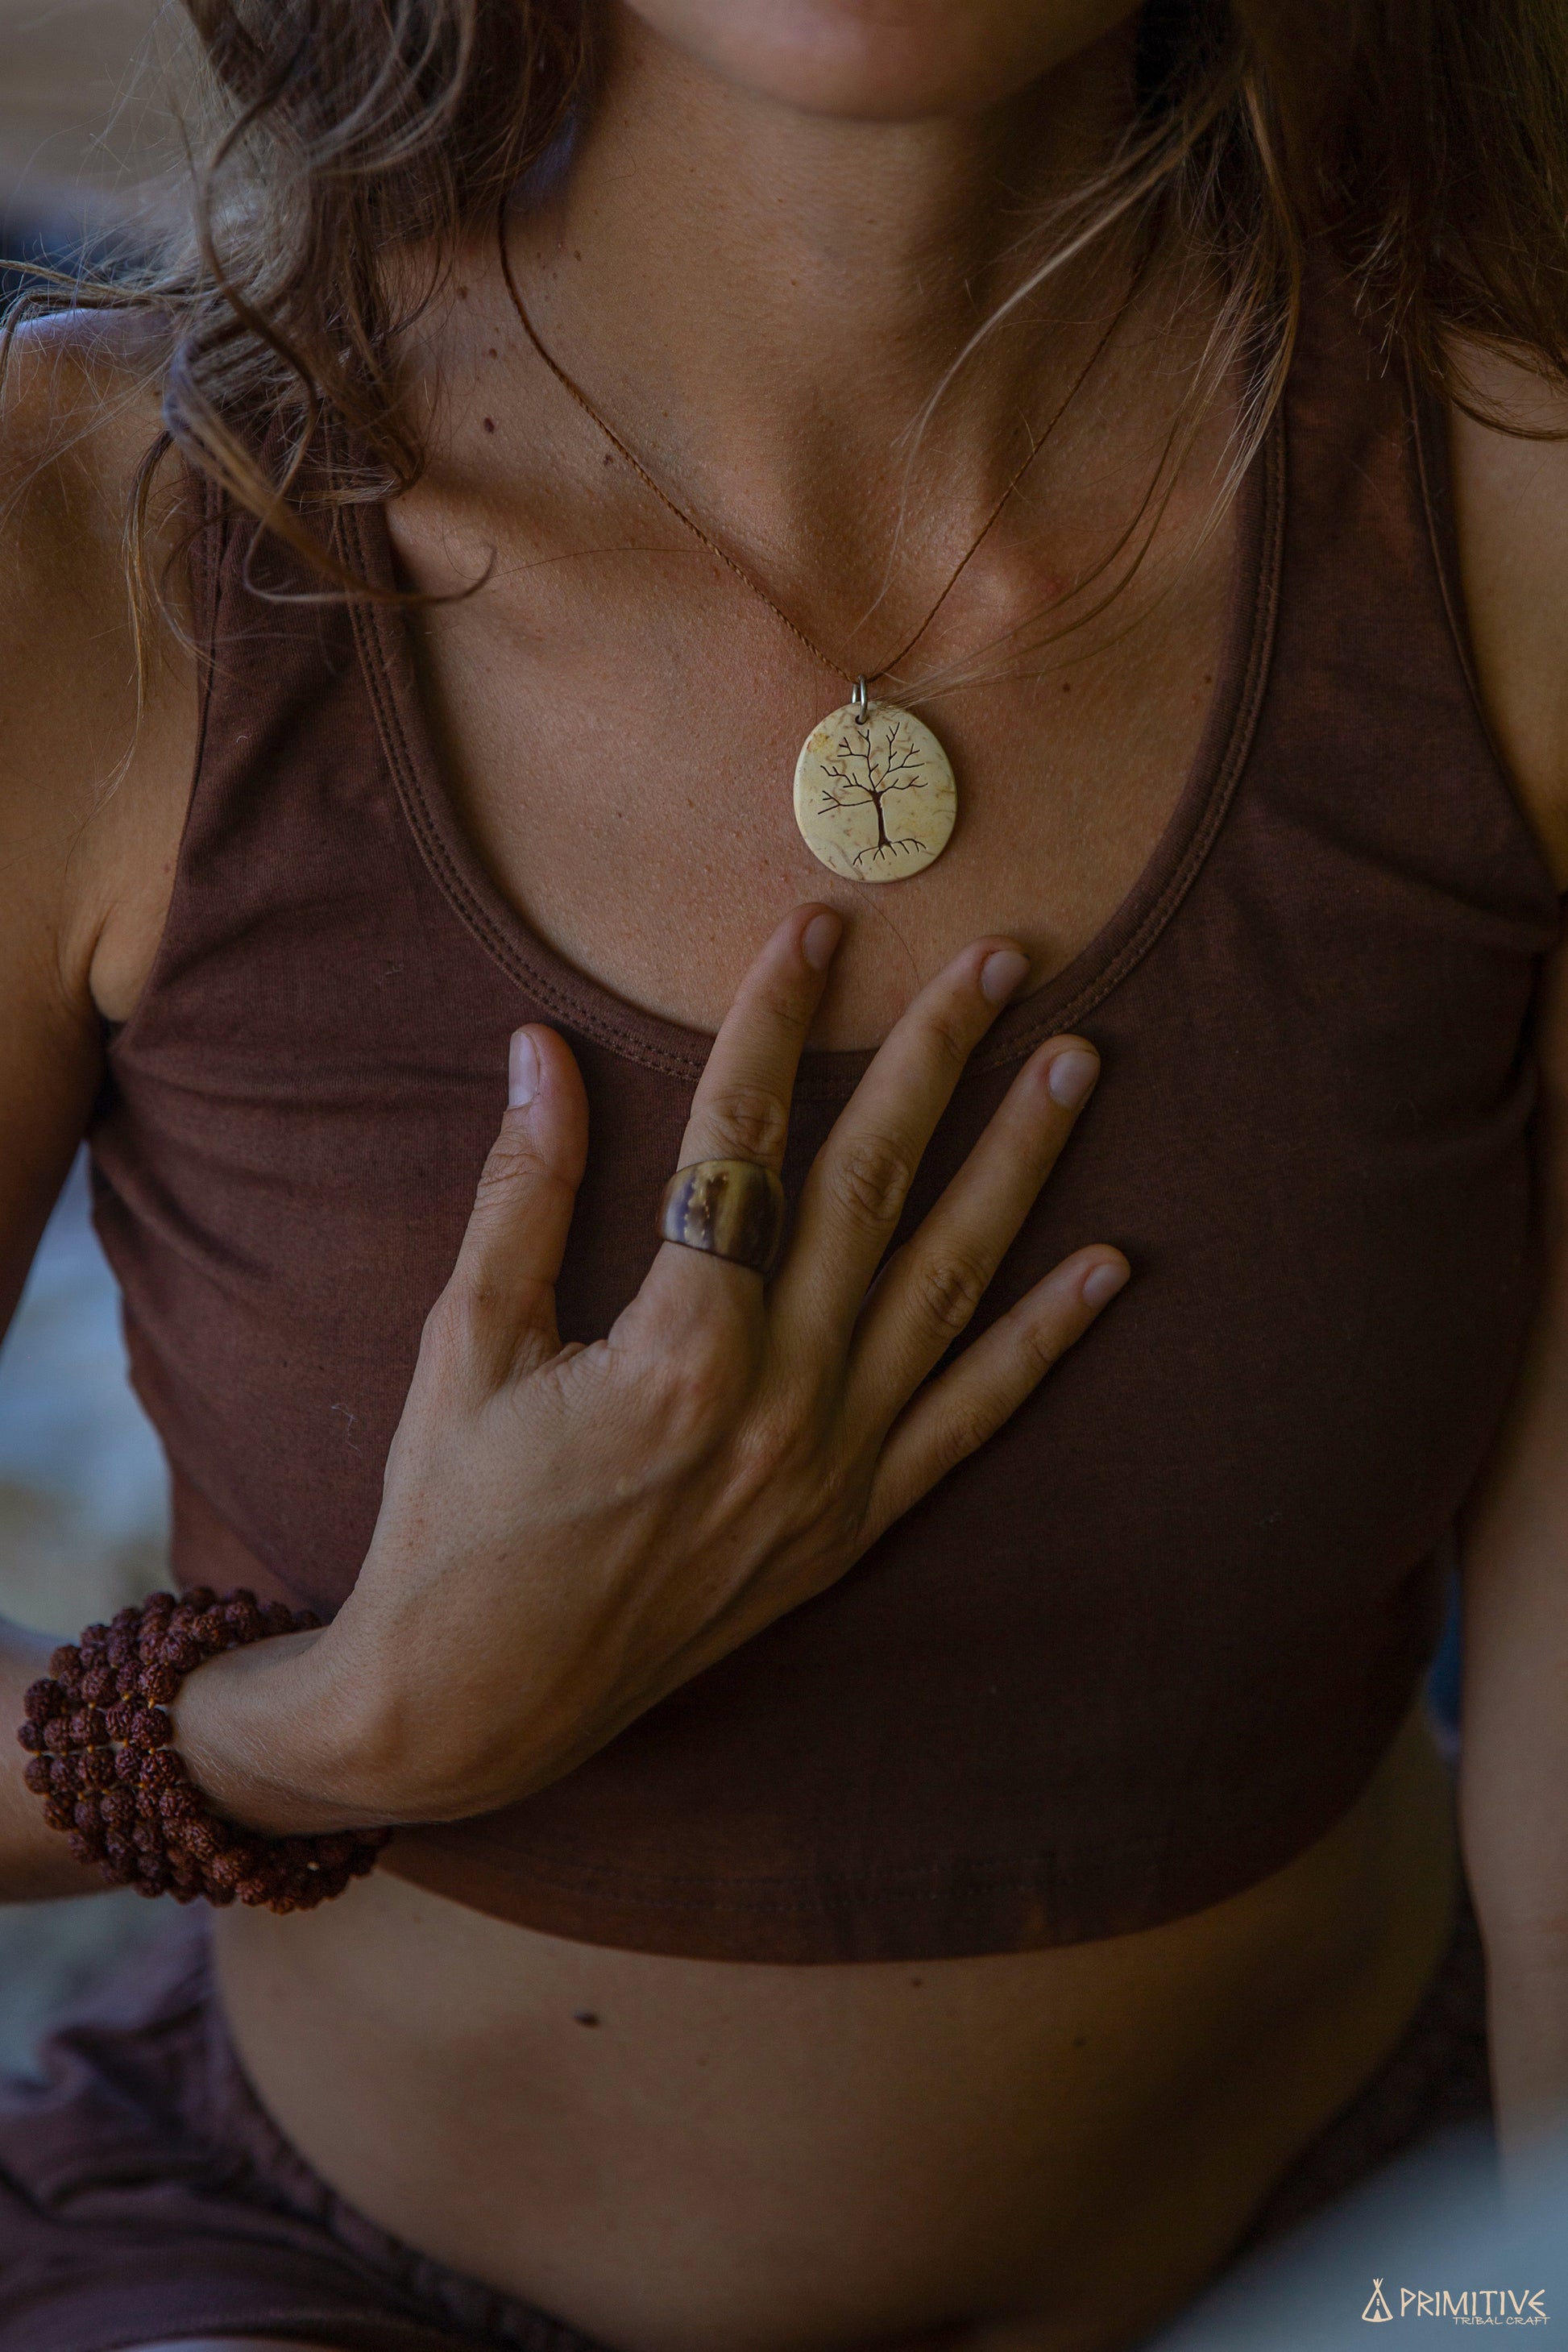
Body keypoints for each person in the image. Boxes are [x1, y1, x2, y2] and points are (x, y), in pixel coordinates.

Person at [1, 2, 1566, 2347]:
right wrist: (337, 1728)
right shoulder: (89, 535)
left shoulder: (1512, 520)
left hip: (1359, 2254)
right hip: (292, 2277)